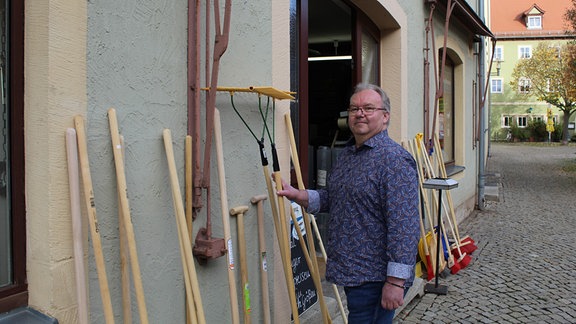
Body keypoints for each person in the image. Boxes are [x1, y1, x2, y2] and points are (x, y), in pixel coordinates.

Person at [277, 83, 420, 323]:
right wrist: (300, 195)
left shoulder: (394, 160)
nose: (360, 113)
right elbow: (336, 199)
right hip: (354, 272)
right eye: (354, 108)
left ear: (385, 117)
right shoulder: (349, 154)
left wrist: (395, 282)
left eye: (368, 108)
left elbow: (404, 226)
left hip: (376, 277)